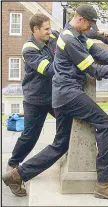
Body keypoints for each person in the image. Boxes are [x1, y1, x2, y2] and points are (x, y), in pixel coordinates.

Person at [2, 5, 108, 202]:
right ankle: (104, 183)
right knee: (106, 125)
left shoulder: (76, 35)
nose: (91, 28)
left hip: (61, 96)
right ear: (81, 20)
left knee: (60, 144)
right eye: (90, 24)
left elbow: (98, 53)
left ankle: (17, 175)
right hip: (69, 94)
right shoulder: (69, 40)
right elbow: (93, 70)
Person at [4, 13, 59, 196]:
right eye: (46, 29)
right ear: (35, 29)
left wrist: (98, 34)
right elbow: (48, 69)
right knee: (30, 135)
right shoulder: (29, 49)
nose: (49, 32)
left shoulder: (51, 38)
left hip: (53, 97)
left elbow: (71, 35)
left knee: (70, 123)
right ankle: (13, 166)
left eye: (50, 28)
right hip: (35, 99)